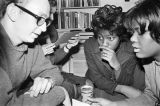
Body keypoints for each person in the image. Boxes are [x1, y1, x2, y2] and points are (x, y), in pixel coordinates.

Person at [87, 0, 160, 106]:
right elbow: (151, 98)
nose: (133, 38)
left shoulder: (135, 54)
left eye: (139, 32)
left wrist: (117, 68)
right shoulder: (149, 63)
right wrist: (113, 105)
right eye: (132, 33)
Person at [0, 0, 71, 106]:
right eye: (39, 18)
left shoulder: (31, 45)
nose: (43, 29)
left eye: (45, 21)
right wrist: (60, 93)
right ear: (13, 12)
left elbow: (52, 72)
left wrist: (48, 80)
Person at [83, 4, 145, 101]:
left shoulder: (131, 49)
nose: (104, 44)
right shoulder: (89, 45)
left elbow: (128, 81)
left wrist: (117, 67)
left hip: (120, 89)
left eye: (110, 38)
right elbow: (96, 77)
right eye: (100, 37)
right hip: (102, 87)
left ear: (120, 37)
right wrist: (121, 88)